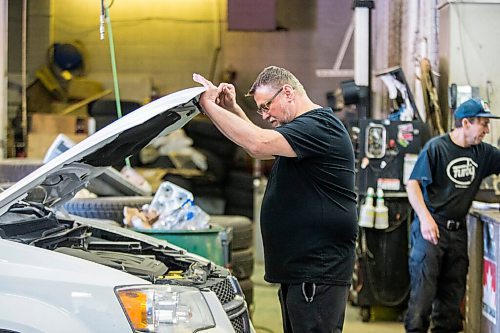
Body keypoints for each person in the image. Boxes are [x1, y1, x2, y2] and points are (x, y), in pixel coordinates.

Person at [193, 66, 358, 333]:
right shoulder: (302, 132)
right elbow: (255, 145)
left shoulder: (320, 126)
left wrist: (207, 105)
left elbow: (258, 143)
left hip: (317, 267)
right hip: (302, 270)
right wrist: (230, 109)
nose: (266, 115)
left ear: (288, 93)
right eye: (260, 109)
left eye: (266, 106)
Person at [404, 98, 500, 332]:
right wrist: (425, 219)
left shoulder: (483, 153)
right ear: (466, 123)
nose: (486, 130)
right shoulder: (436, 148)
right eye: (483, 124)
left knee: (451, 301)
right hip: (430, 230)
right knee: (422, 301)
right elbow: (413, 184)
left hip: (457, 233)